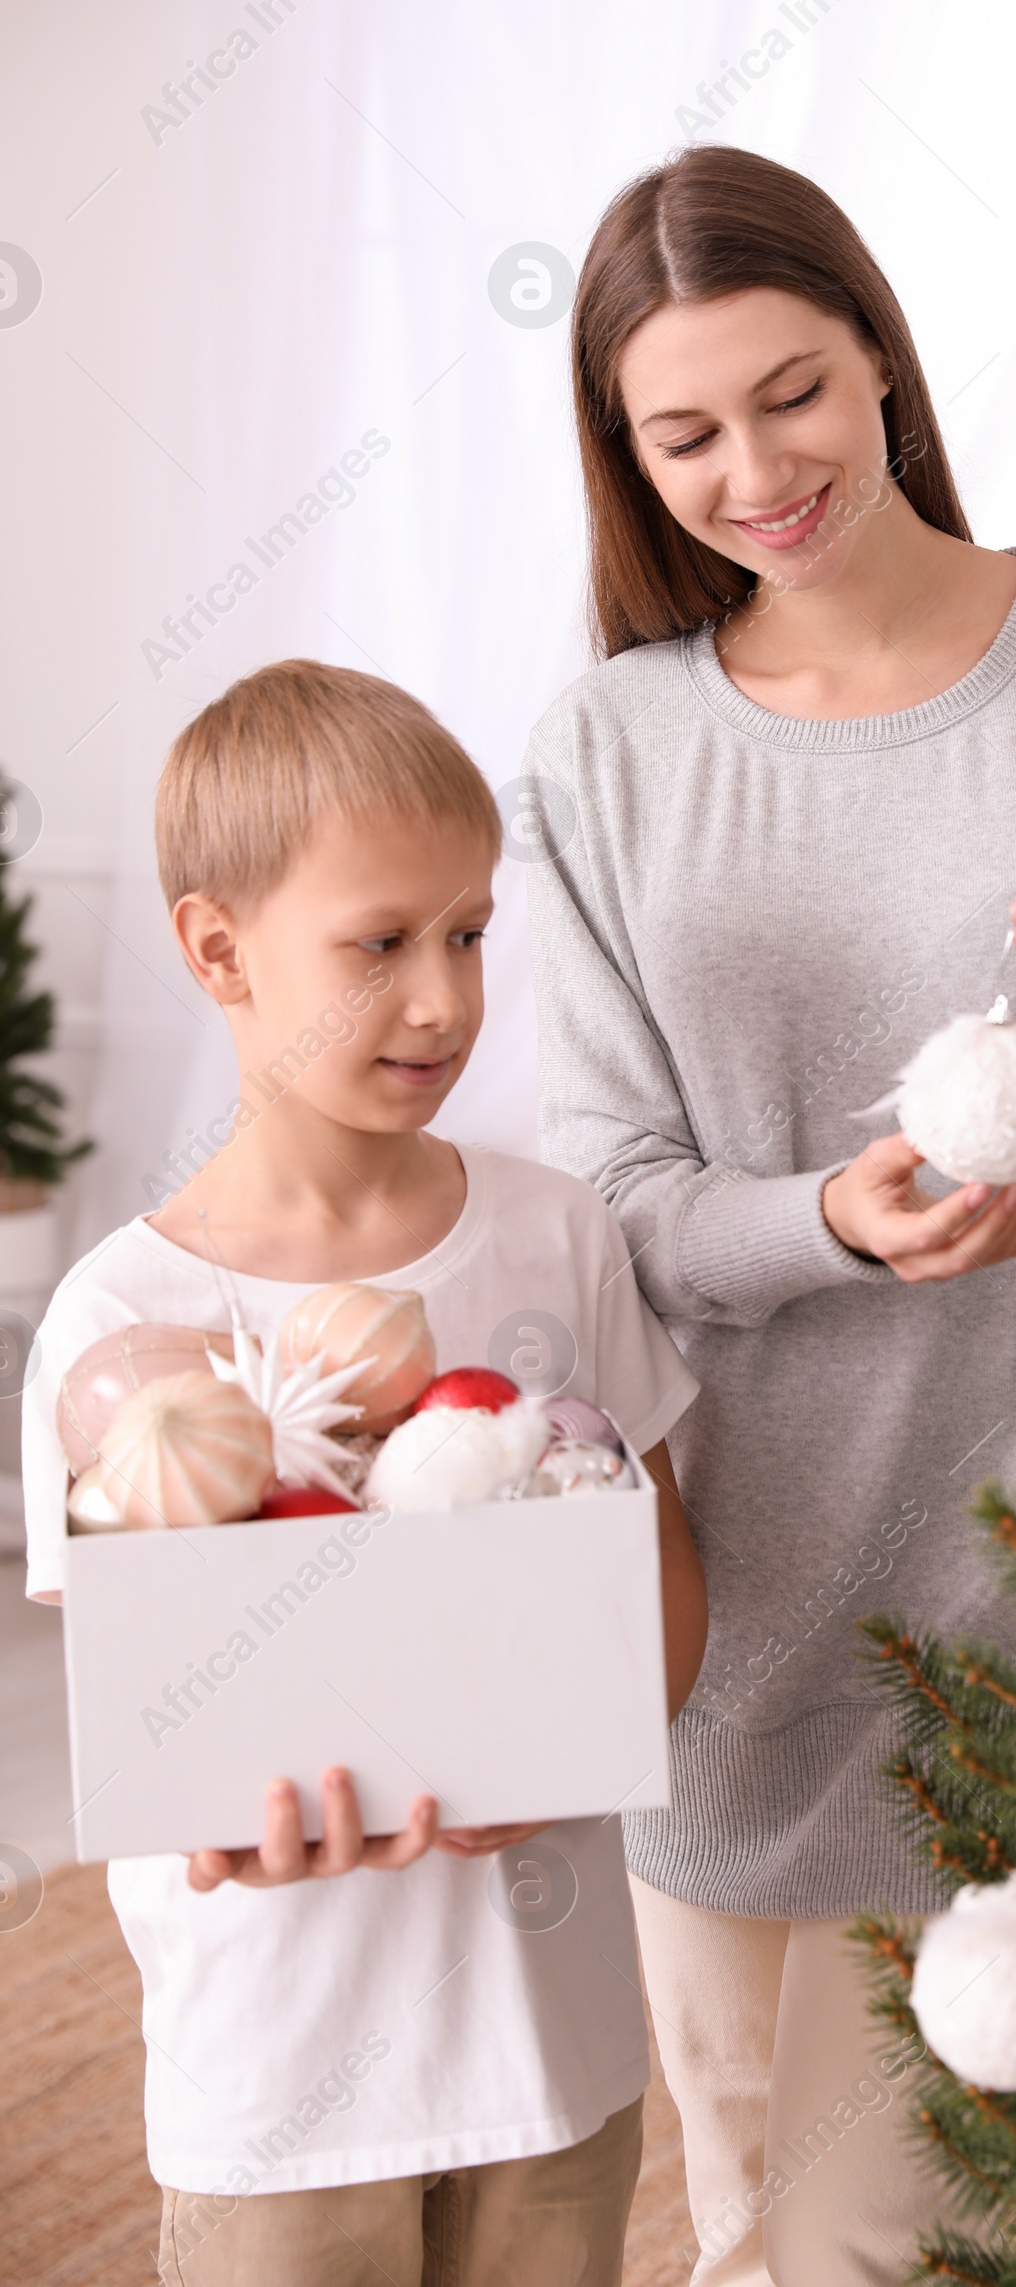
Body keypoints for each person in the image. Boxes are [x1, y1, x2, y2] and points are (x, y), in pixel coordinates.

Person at [524, 145, 1016, 2286]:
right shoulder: (605, 750)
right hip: (725, 1647)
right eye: (681, 434)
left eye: (791, 393)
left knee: (934, 2246)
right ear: (623, 455)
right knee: (748, 2226)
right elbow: (616, 1212)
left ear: (878, 353)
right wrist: (828, 1228)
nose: (754, 467)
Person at [22, 661, 708, 2287]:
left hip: (549, 2056)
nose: (444, 1002)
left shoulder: (555, 1231)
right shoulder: (126, 1318)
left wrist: (571, 1751)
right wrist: (218, 1812)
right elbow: (145, 1703)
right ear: (215, 950)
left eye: (468, 933)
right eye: (379, 943)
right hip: (275, 2094)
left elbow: (663, 1577)